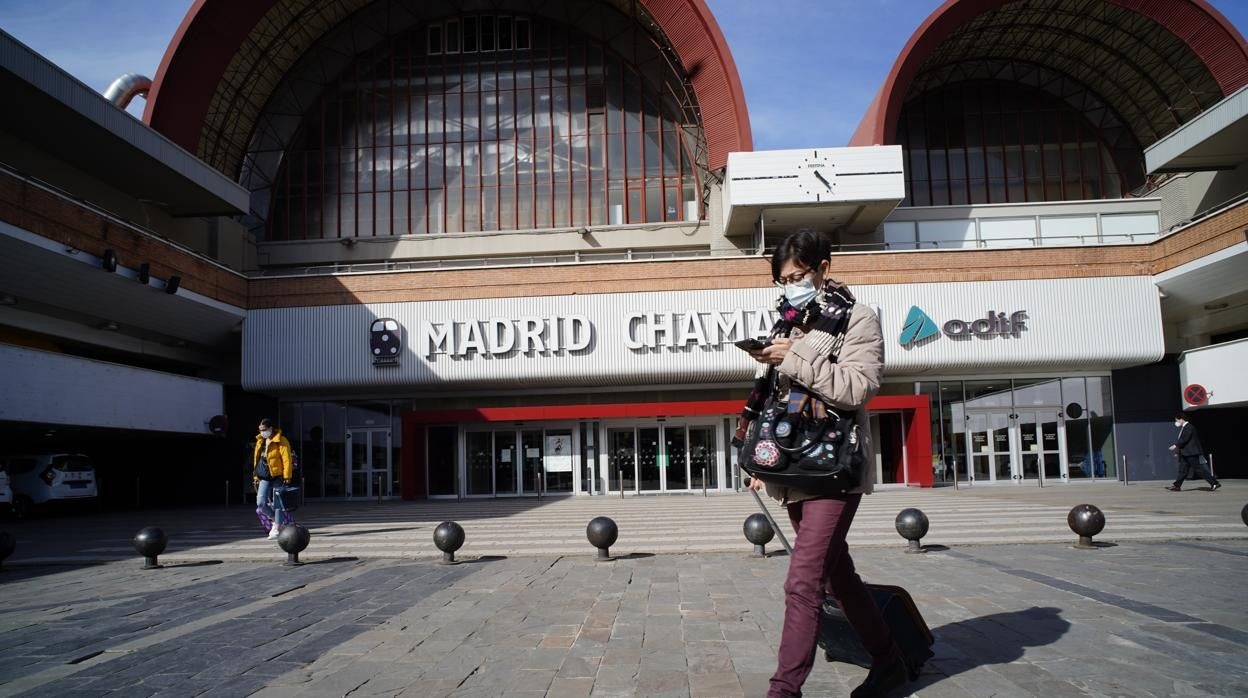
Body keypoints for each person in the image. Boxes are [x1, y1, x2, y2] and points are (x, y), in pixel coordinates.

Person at [744, 229, 905, 698]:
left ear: (824, 269)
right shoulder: (787, 324)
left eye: (800, 275)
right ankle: (889, 660)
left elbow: (857, 388)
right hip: (793, 467)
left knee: (803, 581)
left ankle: (784, 690)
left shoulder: (858, 318)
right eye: (784, 279)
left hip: (834, 466)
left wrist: (794, 358)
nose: (792, 285)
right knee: (838, 575)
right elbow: (776, 402)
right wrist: (761, 458)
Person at [253, 418, 295, 539]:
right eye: (260, 430)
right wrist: (255, 475)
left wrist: (287, 476)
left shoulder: (281, 440)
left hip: (278, 475)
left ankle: (277, 527)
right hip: (265, 475)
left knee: (278, 503)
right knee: (260, 502)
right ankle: (276, 521)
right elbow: (257, 460)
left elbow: (287, 459)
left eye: (264, 429)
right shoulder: (260, 441)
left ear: (271, 428)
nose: (262, 432)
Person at [1167, 414, 1219, 492]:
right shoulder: (1185, 427)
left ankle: (1214, 483)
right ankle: (1177, 486)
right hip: (1185, 453)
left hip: (1191, 453)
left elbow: (1185, 438)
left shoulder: (1189, 427)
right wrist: (1178, 452)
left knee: (1199, 470)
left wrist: (1175, 445)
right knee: (1182, 470)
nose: (1176, 422)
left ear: (1181, 419)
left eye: (1177, 420)